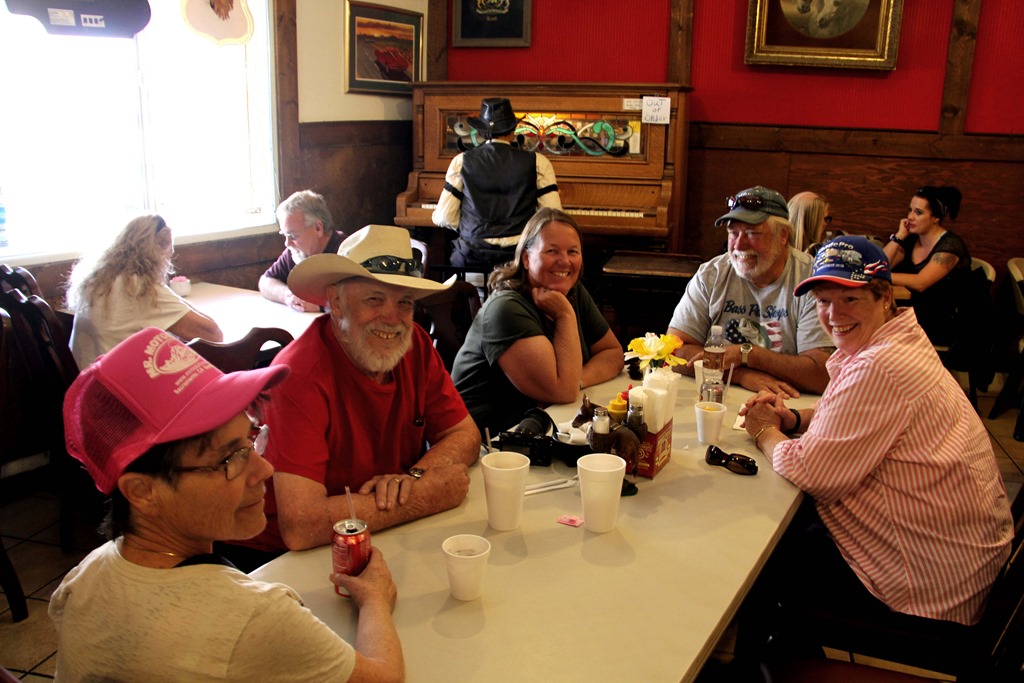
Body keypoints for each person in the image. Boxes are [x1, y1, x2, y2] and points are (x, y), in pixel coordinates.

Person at [51, 327, 405, 682]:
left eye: (251, 440)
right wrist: (374, 598)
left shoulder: (83, 580)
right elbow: (385, 677)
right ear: (142, 491)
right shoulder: (254, 618)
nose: (264, 469)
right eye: (229, 458)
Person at [736, 236, 1013, 662]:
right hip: (959, 566)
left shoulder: (880, 365)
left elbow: (810, 472)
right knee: (786, 534)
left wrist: (763, 430)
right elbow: (855, 410)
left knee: (757, 559)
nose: (833, 315)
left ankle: (761, 665)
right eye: (824, 302)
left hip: (926, 589)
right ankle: (785, 654)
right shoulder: (900, 340)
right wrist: (793, 419)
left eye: (850, 299)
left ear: (884, 297)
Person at [230, 224, 480, 570]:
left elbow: (464, 434)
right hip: (281, 561)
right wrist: (422, 497)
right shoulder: (298, 376)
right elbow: (301, 525)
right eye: (374, 299)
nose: (392, 319)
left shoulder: (416, 346)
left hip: (374, 534)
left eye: (404, 303)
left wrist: (413, 478)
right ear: (336, 302)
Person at [451, 208, 623, 436]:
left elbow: (613, 353)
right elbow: (563, 391)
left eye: (573, 251)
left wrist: (579, 379)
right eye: (552, 251)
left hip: (539, 428)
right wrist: (565, 316)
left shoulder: (572, 291)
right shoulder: (506, 309)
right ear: (526, 258)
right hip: (485, 442)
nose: (565, 261)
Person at [667, 186, 832, 396]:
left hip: (787, 400)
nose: (739, 245)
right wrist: (740, 375)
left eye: (752, 233)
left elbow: (822, 375)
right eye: (733, 233)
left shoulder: (812, 280)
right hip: (718, 393)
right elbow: (674, 351)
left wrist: (748, 355)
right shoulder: (711, 274)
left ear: (783, 235)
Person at [67, 214, 223, 368]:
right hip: (118, 379)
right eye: (168, 255)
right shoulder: (138, 287)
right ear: (159, 251)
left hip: (87, 375)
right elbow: (212, 335)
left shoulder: (98, 279)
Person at [432, 97, 562, 272]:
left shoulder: (461, 161)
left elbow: (444, 218)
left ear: (482, 132)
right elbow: (552, 215)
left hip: (472, 261)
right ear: (512, 130)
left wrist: (472, 227)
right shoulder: (538, 162)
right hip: (518, 263)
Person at [882, 185, 971, 345]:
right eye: (910, 210)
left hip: (943, 320)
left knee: (878, 321)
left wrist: (880, 274)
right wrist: (899, 236)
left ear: (935, 217)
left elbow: (921, 283)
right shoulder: (912, 239)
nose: (910, 217)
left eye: (918, 212)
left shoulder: (951, 246)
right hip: (914, 313)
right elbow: (881, 263)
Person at [259, 190, 347, 312]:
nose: (287, 243)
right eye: (284, 235)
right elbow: (265, 282)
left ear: (318, 228)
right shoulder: (295, 252)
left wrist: (322, 306)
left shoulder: (348, 252)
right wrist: (288, 295)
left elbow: (362, 301)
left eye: (292, 236)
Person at [786, 190, 834, 257]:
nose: (826, 224)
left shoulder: (776, 250)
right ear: (813, 223)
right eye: (825, 219)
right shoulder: (820, 257)